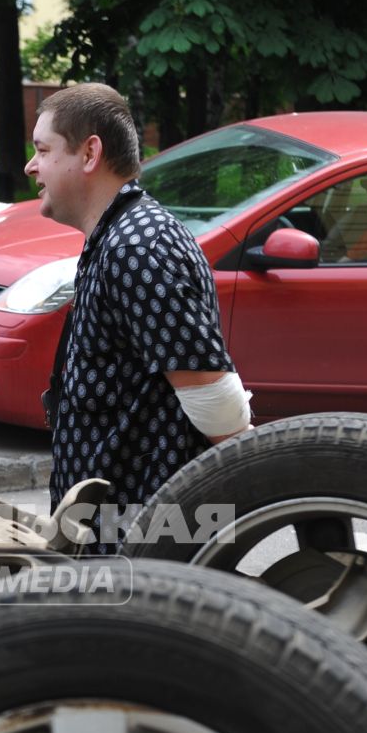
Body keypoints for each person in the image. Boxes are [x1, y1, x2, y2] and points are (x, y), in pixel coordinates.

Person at [26, 83, 249, 545]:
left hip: (140, 542)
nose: (31, 166)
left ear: (89, 153)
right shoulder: (117, 236)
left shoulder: (139, 246)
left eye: (42, 150)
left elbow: (214, 400)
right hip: (113, 534)